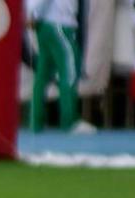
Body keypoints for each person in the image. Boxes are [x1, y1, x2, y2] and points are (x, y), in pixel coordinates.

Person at [27, 0, 96, 134]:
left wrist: (33, 15)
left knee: (43, 73)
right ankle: (69, 122)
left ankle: (35, 121)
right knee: (69, 72)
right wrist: (33, 14)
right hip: (59, 25)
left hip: (47, 25)